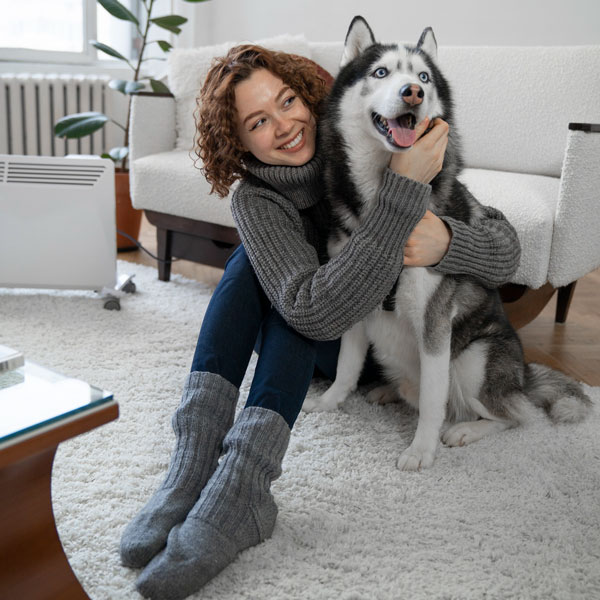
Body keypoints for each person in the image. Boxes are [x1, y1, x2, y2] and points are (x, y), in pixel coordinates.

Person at [120, 45, 521, 599]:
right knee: (262, 271)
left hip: (376, 345)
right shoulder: (258, 199)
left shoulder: (365, 148)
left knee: (284, 284)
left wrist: (447, 239)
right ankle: (192, 466)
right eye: (259, 121)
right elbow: (317, 311)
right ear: (238, 141)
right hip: (331, 332)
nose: (284, 125)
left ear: (310, 98)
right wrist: (401, 193)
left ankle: (242, 487)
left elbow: (505, 252)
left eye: (288, 101)